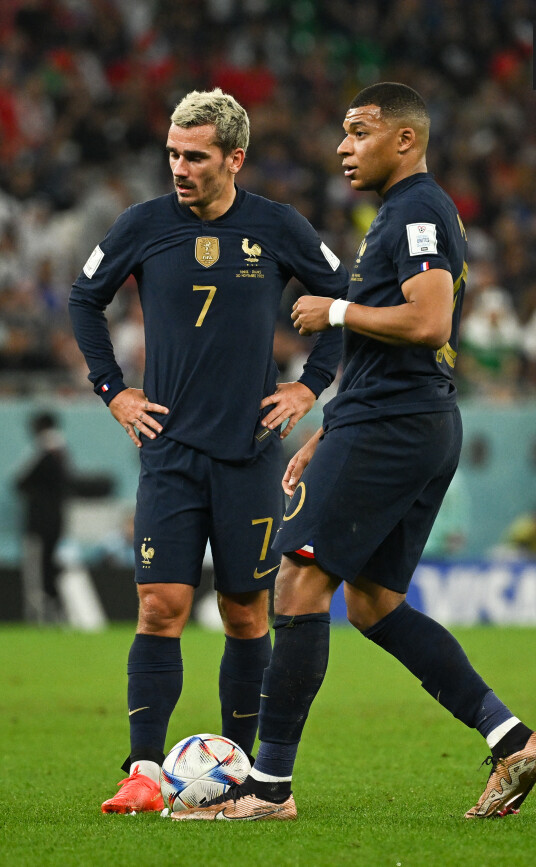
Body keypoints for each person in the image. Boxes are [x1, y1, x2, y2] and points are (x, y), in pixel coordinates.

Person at [173, 82, 536, 823]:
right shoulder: (401, 213)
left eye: (358, 132)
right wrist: (330, 428)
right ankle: (511, 736)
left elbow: (429, 317)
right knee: (375, 604)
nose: (343, 147)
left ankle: (268, 787)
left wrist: (336, 310)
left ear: (405, 140)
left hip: (394, 426)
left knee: (298, 585)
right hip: (399, 419)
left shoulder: (417, 208)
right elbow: (397, 348)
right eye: (343, 134)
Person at [68, 87, 349, 814]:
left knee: (246, 612)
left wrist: (308, 386)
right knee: (161, 605)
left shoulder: (277, 226)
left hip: (251, 452)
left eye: (195, 156)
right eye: (172, 153)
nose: (179, 167)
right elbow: (82, 299)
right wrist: (114, 390)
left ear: (234, 158)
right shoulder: (142, 225)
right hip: (168, 450)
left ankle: (243, 775)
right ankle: (141, 770)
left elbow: (343, 303)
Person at [15, 411, 71, 624]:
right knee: (49, 565)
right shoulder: (62, 454)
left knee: (38, 569)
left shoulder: (44, 454)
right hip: (56, 521)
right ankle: (55, 610)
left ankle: (40, 613)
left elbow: (20, 482)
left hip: (39, 523)